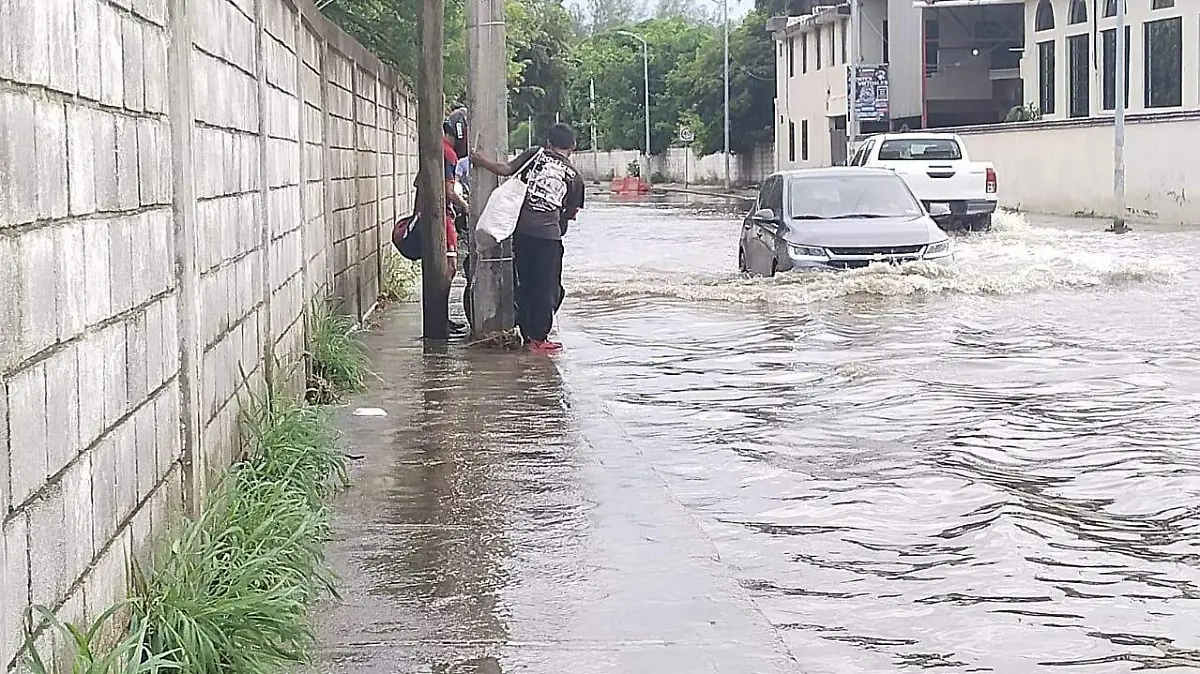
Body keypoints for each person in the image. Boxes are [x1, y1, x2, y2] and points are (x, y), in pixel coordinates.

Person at [471, 123, 584, 353]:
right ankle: (539, 338)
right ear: (573, 146)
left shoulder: (535, 155)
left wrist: (480, 160)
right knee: (548, 288)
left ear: (548, 142)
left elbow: (505, 169)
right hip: (548, 237)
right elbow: (571, 213)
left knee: (526, 283)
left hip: (521, 233)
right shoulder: (575, 177)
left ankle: (527, 333)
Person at [413, 121, 471, 336]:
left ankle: (440, 319)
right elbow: (448, 190)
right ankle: (439, 320)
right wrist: (466, 207)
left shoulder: (435, 149)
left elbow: (418, 183)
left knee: (441, 266)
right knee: (449, 266)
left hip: (429, 214)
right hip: (441, 216)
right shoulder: (448, 154)